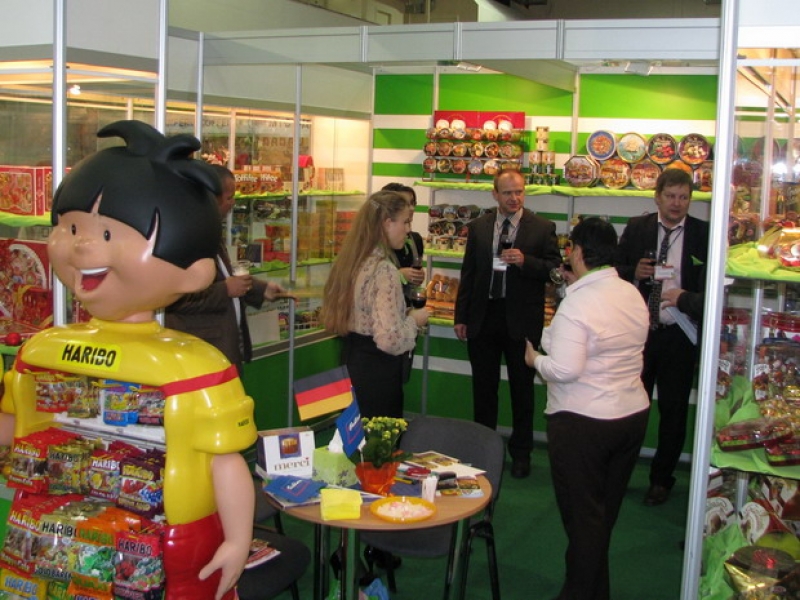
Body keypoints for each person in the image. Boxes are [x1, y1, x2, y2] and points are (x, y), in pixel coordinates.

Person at [1, 121, 257, 600]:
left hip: (168, 544)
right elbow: (15, 425)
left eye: (107, 232)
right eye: (71, 227)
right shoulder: (42, 351)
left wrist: (238, 540)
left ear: (193, 271)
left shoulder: (197, 368)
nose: (82, 245)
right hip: (47, 533)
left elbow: (225, 462)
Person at [524, 217, 650, 600]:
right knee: (601, 517)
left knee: (583, 519)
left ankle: (578, 592)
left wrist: (534, 360)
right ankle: (595, 591)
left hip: (583, 422)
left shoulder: (578, 303)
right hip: (631, 415)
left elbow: (565, 369)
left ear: (577, 252)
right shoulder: (630, 292)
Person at [454, 169, 562, 479]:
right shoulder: (479, 227)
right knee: (484, 389)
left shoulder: (542, 228)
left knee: (522, 390)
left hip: (522, 320)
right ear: (495, 195)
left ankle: (521, 453)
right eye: (507, 193)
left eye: (519, 192)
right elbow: (469, 273)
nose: (514, 198)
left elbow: (555, 270)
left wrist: (526, 261)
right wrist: (461, 316)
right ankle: (483, 450)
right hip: (483, 317)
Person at [615, 168, 709, 506]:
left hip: (679, 334)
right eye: (670, 196)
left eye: (683, 197)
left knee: (673, 410)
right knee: (628, 407)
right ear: (657, 197)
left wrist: (686, 297)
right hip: (639, 333)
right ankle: (619, 473)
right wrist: (633, 272)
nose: (676, 203)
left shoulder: (703, 233)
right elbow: (613, 270)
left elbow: (711, 290)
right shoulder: (637, 227)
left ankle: (661, 480)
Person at [166, 164, 287, 375]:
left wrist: (259, 290)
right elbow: (175, 297)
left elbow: (224, 276)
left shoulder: (208, 230)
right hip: (202, 355)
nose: (233, 204)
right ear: (210, 198)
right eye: (229, 198)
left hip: (221, 352)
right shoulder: (184, 236)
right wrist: (225, 290)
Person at [320, 189, 430, 418]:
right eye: (405, 222)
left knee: (354, 433)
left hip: (350, 363)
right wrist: (413, 320)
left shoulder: (352, 260)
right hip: (377, 374)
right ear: (387, 223)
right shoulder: (384, 270)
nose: (408, 230)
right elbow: (389, 340)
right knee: (379, 438)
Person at [382, 182, 425, 302]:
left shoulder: (415, 239)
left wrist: (417, 276)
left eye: (412, 203)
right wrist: (399, 275)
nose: (411, 208)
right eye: (405, 203)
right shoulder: (372, 246)